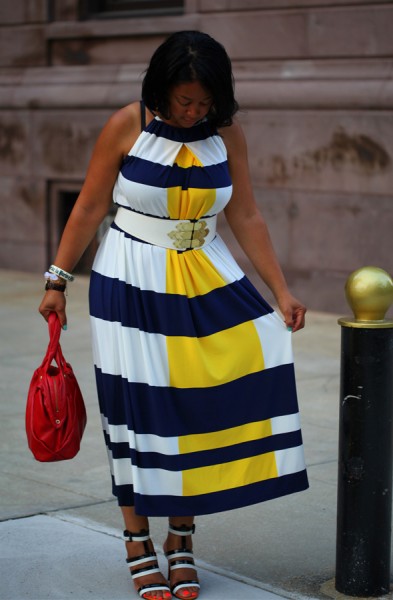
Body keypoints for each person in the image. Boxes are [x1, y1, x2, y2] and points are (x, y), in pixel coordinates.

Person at [39, 30, 308, 600]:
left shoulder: (227, 134)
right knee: (137, 409)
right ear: (160, 89)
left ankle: (181, 537)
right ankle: (137, 538)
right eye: (185, 101)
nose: (193, 113)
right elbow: (89, 205)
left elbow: (248, 214)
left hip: (206, 275)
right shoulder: (127, 125)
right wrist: (57, 280)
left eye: (204, 103)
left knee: (201, 405)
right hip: (130, 280)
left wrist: (280, 291)